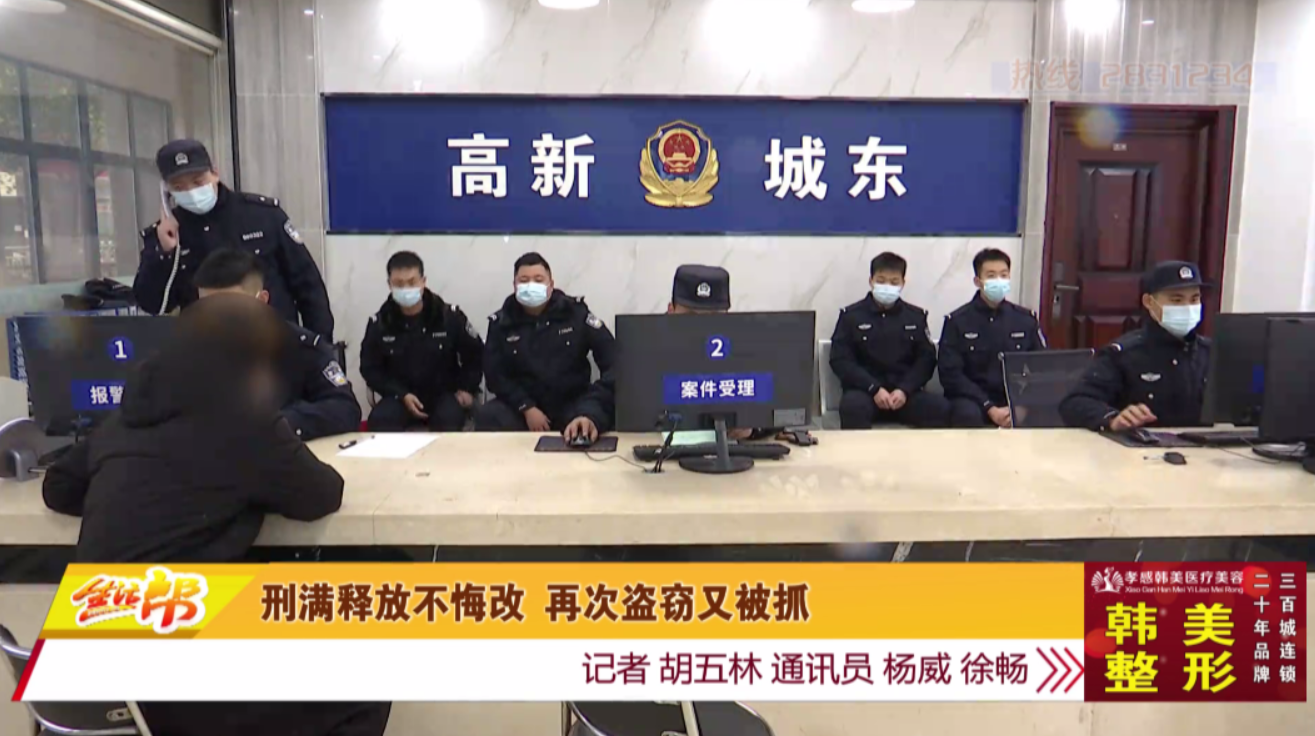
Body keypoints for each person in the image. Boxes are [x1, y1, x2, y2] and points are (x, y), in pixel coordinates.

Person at [42, 296, 388, 736]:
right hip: (170, 681)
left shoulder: (123, 421)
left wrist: (130, 492)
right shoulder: (245, 422)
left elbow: (58, 486)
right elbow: (322, 494)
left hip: (88, 666)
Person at [133, 139, 335, 339]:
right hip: (206, 347)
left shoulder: (262, 215)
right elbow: (152, 304)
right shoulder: (166, 234)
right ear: (166, 190)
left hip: (273, 342)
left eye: (198, 181)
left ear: (215, 173)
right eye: (179, 187)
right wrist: (164, 253)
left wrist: (320, 345)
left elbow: (308, 284)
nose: (191, 192)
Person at [563, 265, 763, 443]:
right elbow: (608, 391)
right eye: (690, 317)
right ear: (671, 310)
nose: (701, 328)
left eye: (712, 318)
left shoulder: (742, 352)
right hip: (655, 454)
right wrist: (588, 417)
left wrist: (754, 426)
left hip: (724, 458)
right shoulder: (646, 347)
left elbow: (772, 402)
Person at [193, 248, 360, 440]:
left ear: (261, 300)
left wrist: (281, 423)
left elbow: (345, 409)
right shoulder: (190, 352)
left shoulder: (300, 346)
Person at [1060, 261, 1211, 431]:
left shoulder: (1212, 353)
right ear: (1149, 302)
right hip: (1143, 444)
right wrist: (1113, 418)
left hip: (1204, 445)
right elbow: (1075, 403)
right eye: (1176, 300)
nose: (1187, 308)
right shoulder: (1124, 354)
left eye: (1194, 299)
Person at [476, 252, 615, 433]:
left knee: (601, 413)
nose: (531, 285)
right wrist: (526, 406)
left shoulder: (574, 313)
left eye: (538, 280)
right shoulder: (501, 323)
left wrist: (590, 410)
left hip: (572, 403)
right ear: (514, 286)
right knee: (488, 415)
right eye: (524, 280)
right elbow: (495, 375)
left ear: (551, 285)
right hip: (522, 408)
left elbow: (613, 358)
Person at [360, 251, 483, 432]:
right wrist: (400, 394)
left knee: (448, 420)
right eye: (399, 284)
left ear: (423, 282)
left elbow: (476, 355)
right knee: (381, 421)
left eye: (412, 282)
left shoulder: (448, 316)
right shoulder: (380, 323)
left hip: (444, 395)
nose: (406, 289)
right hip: (399, 397)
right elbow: (370, 368)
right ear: (389, 285)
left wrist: (466, 388)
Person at [830, 252, 949, 429]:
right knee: (852, 408)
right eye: (881, 281)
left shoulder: (915, 317)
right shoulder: (851, 316)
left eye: (894, 282)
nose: (887, 287)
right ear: (871, 281)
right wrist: (873, 388)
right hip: (865, 392)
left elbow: (926, 359)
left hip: (905, 394)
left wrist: (904, 389)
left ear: (902, 283)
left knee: (940, 408)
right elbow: (841, 360)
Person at [939, 248, 1046, 428]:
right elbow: (951, 374)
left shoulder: (1025, 320)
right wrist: (989, 407)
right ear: (977, 281)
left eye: (1003, 275)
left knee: (1048, 412)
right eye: (991, 275)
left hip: (1014, 397)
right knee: (966, 415)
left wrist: (1022, 406)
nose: (998, 281)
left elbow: (1042, 366)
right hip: (973, 399)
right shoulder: (958, 321)